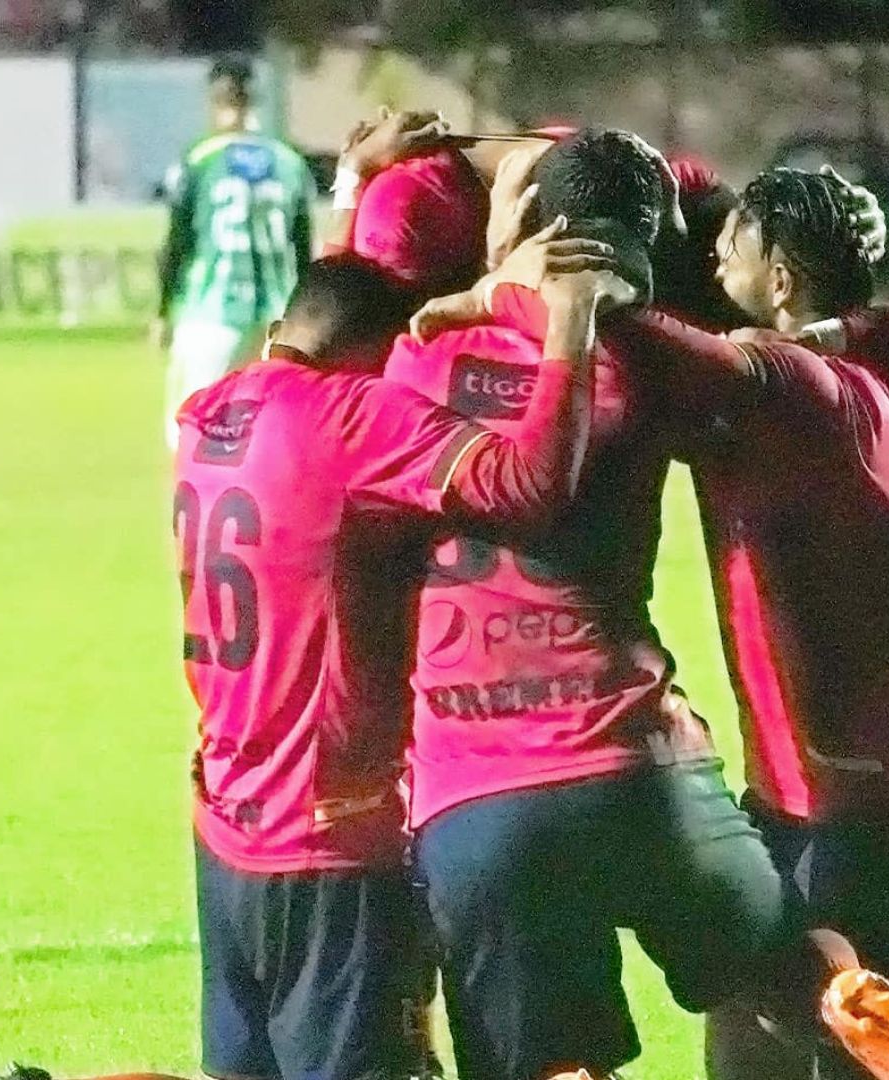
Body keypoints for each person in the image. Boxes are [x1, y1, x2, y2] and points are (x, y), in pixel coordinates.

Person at [387, 128, 889, 1080]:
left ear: (533, 221)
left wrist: (483, 276)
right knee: (788, 969)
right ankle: (863, 1016)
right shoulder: (654, 370)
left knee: (547, 1064)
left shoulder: (412, 359)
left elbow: (331, 329)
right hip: (650, 773)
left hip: (484, 794)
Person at [173, 247, 624, 1080]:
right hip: (325, 842)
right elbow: (526, 487)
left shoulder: (210, 412)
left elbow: (331, 308)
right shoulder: (353, 418)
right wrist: (568, 324)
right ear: (374, 358)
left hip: (224, 827)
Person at [154, 56, 315, 448]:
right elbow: (304, 250)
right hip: (278, 317)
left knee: (194, 432)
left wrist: (162, 312)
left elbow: (177, 244)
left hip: (213, 311)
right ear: (255, 100)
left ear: (214, 99)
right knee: (265, 438)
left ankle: (197, 509)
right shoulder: (290, 163)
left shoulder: (200, 161)